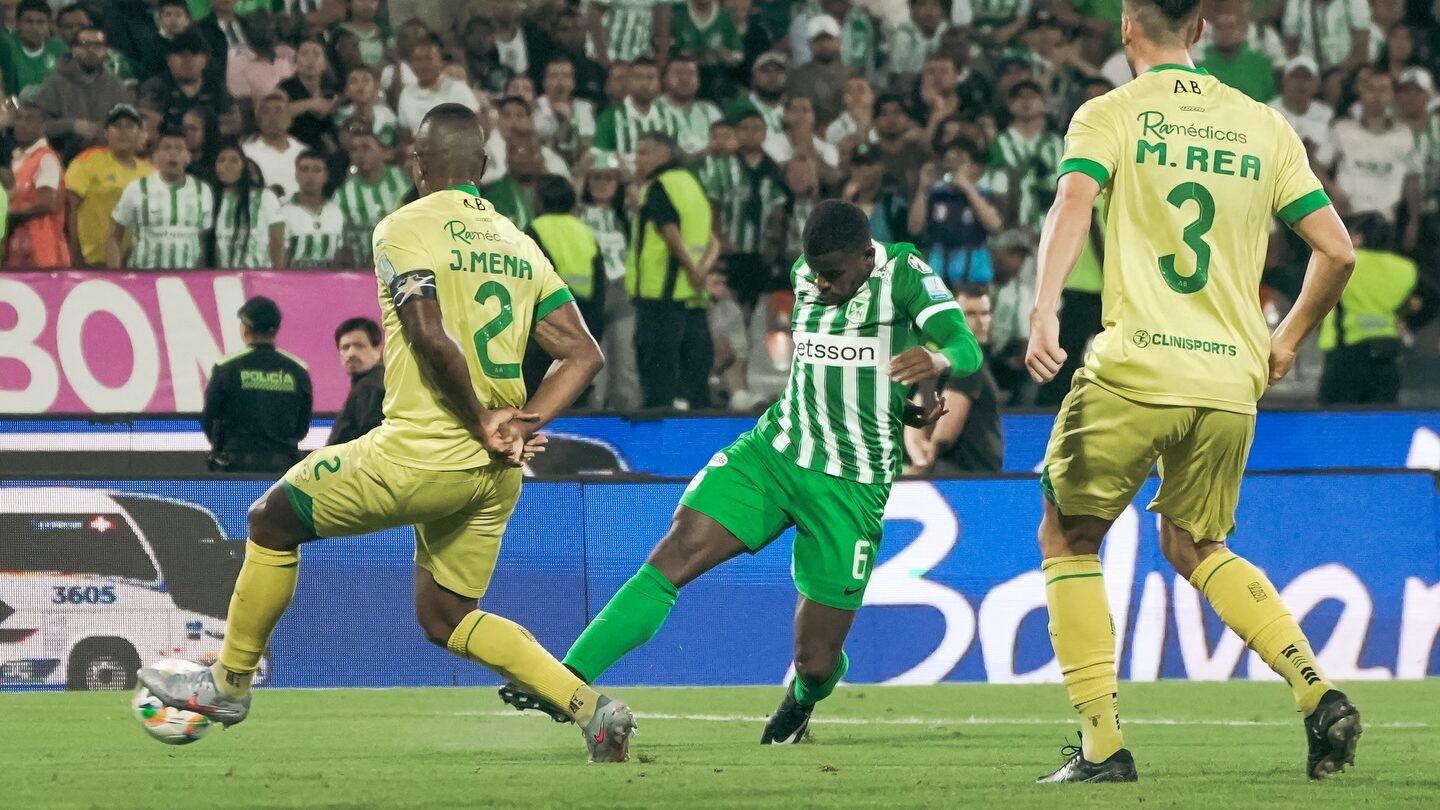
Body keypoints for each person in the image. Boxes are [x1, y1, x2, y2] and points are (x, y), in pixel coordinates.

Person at [137, 102, 634, 765]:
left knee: (271, 520)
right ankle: (593, 710)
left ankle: (228, 686)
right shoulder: (520, 244)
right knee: (447, 615)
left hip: (422, 453)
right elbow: (583, 354)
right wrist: (522, 421)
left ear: (416, 164)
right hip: (496, 472)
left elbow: (428, 334)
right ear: (484, 166)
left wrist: (481, 419)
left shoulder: (404, 227)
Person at [1024, 0, 1360, 783]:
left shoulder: (1110, 112)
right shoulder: (1264, 125)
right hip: (1230, 380)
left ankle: (1103, 748)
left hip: (1138, 369)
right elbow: (1338, 252)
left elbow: (1073, 201)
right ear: (1201, 31)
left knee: (1068, 537)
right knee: (1196, 543)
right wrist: (1285, 342)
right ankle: (1318, 694)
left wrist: (1043, 309)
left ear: (1126, 27)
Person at [499, 200, 980, 743]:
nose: (821, 284)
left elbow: (964, 345)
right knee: (675, 552)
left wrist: (937, 363)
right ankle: (565, 679)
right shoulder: (805, 273)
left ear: (867, 257)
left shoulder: (905, 274)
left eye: (834, 274)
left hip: (851, 484)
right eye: (815, 272)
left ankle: (803, 700)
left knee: (816, 660)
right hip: (773, 454)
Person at [627, 131, 717, 408]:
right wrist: (702, 271)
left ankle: (659, 425)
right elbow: (713, 240)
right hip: (693, 294)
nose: (637, 160)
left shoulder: (659, 186)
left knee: (658, 373)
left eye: (643, 152)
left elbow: (668, 229)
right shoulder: (692, 185)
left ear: (662, 155)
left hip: (660, 294)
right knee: (694, 371)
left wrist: (690, 268)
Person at [200, 294, 312, 472]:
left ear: (245, 328)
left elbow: (209, 418)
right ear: (276, 329)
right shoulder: (298, 370)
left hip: (235, 467)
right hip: (283, 470)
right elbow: (302, 428)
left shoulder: (227, 367)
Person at [1318, 215, 1417, 405]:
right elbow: (1430, 299)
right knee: (1381, 418)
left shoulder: (1345, 263)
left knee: (1336, 419)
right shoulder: (1405, 268)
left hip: (1345, 354)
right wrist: (1405, 317)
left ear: (1360, 237)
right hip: (1387, 355)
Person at [522, 174, 606, 397]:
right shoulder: (585, 231)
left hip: (549, 326)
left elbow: (530, 282)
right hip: (584, 323)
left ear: (540, 200)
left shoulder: (534, 230)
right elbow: (600, 282)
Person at [905, 283, 1002, 475]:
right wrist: (925, 463)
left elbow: (914, 420)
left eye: (985, 313)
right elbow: (944, 436)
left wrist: (920, 463)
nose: (981, 321)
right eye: (970, 314)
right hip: (969, 477)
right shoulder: (968, 365)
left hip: (950, 475)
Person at [580, 167, 642, 410]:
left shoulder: (625, 215)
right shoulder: (578, 212)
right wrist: (579, 174)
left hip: (622, 291)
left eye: (609, 178)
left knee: (626, 359)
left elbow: (642, 208)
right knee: (593, 362)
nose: (602, 183)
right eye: (596, 177)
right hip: (589, 292)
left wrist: (629, 180)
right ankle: (593, 411)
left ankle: (628, 411)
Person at [108, 127, 214, 268]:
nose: (173, 153)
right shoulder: (136, 189)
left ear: (188, 156)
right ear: (155, 156)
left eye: (179, 148)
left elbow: (201, 241)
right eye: (166, 147)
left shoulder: (203, 191)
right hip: (144, 276)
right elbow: (114, 236)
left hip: (187, 277)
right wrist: (116, 275)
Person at [64, 103, 152, 268]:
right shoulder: (87, 161)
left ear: (140, 133)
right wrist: (75, 259)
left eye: (130, 126)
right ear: (106, 133)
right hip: (91, 263)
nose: (123, 131)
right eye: (117, 126)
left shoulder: (150, 172)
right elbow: (70, 209)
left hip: (136, 265)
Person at [909, 137, 1005, 286]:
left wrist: (967, 188)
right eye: (948, 161)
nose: (952, 167)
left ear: (974, 167)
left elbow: (995, 226)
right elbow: (914, 229)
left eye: (959, 162)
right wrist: (922, 188)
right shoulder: (935, 195)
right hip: (938, 275)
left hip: (974, 277)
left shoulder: (983, 195)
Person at [32, 25, 134, 160]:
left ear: (105, 51)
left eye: (98, 45)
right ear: (74, 50)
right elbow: (37, 126)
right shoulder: (55, 83)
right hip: (64, 158)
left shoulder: (116, 85)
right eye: (85, 44)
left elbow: (128, 122)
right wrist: (72, 126)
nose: (91, 50)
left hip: (109, 157)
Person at [5, 101, 69, 268]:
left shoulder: (46, 159)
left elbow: (47, 203)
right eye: (19, 118)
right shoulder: (14, 160)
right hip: (15, 253)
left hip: (43, 254)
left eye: (30, 119)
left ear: (42, 126)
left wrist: (9, 216)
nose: (22, 123)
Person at [591, 57, 679, 173]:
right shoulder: (610, 117)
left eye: (651, 77)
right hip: (622, 180)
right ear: (628, 82)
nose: (645, 83)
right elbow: (600, 156)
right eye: (638, 77)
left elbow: (675, 157)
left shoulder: (670, 118)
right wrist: (620, 167)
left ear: (660, 83)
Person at [207, 139, 285, 269]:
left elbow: (277, 241)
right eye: (221, 160)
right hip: (220, 277)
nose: (227, 165)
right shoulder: (208, 197)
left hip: (260, 275)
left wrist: (278, 274)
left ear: (244, 166)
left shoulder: (265, 197)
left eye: (234, 161)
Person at [396, 34, 478, 137]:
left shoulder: (458, 89)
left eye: (429, 58)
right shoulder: (406, 94)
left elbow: (475, 126)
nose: (423, 65)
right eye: (417, 59)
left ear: (441, 61)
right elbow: (406, 135)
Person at [1197, 4, 1275, 102]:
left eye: (1231, 27)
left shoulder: (1261, 64)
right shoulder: (1200, 68)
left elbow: (1269, 99)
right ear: (1213, 32)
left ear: (1243, 31)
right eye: (1220, 27)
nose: (1226, 32)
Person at [786, 14, 854, 127]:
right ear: (809, 44)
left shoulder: (853, 76)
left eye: (829, 39)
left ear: (839, 41)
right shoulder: (798, 77)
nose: (824, 45)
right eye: (818, 40)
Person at [326, 316, 385, 445]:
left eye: (359, 346)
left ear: (378, 349)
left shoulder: (371, 387)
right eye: (345, 347)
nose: (351, 353)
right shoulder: (368, 384)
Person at [280, 150, 343, 268]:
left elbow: (340, 256)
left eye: (317, 170)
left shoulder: (336, 212)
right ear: (296, 175)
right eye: (305, 169)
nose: (310, 176)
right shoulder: (283, 213)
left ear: (326, 176)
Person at [244, 91, 307, 199]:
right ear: (258, 119)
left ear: (290, 118)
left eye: (279, 111)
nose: (273, 117)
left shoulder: (304, 153)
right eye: (266, 112)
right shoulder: (246, 153)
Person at [656, 55, 721, 158]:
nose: (684, 79)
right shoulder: (653, 109)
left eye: (690, 74)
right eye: (678, 73)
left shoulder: (710, 110)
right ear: (664, 79)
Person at [0, 0, 67, 97]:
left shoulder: (59, 47)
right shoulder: (5, 45)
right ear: (17, 23)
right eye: (28, 21)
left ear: (49, 25)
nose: (34, 27)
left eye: (40, 22)